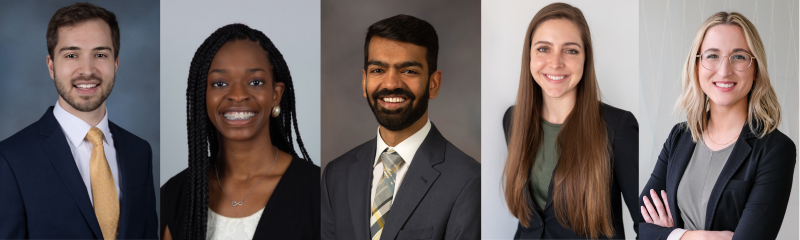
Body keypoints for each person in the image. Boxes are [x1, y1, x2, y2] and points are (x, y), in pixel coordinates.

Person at [0, 3, 157, 239]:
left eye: (100, 54)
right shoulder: (10, 159)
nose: (87, 70)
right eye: (72, 55)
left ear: (115, 64)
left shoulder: (139, 151)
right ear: (51, 66)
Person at [320, 14, 480, 240]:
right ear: (364, 82)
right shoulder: (336, 174)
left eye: (409, 71)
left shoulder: (468, 180)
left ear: (433, 84)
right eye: (378, 70)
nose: (391, 83)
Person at [639, 11, 796, 240]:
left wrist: (668, 233)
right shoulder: (679, 137)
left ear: (755, 70)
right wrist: (694, 237)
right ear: (697, 66)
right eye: (712, 56)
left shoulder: (775, 149)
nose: (724, 70)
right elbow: (639, 227)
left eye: (739, 57)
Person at [159, 24, 319, 240]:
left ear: (276, 94)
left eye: (255, 82)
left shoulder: (319, 190)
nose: (238, 95)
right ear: (202, 97)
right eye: (220, 83)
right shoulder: (176, 194)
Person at [501, 3, 640, 239]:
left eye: (571, 50)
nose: (555, 63)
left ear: (585, 58)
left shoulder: (619, 127)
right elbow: (531, 223)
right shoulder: (513, 120)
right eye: (544, 49)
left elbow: (646, 224)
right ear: (529, 56)